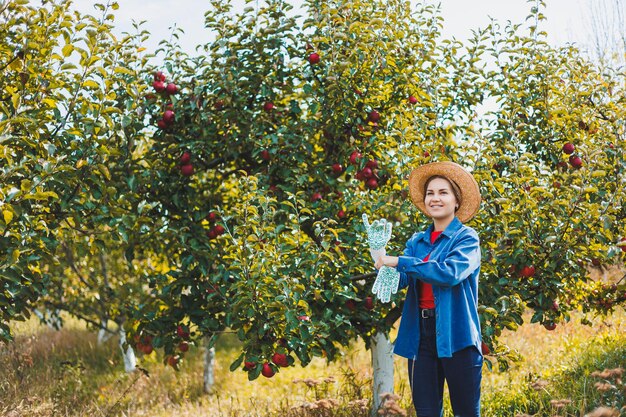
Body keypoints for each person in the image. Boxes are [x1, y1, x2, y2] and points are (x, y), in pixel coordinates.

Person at [373, 161, 483, 417]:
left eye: (443, 192)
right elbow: (398, 281)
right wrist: (379, 256)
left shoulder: (466, 238)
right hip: (420, 338)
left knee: (466, 413)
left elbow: (449, 273)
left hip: (458, 336)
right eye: (430, 193)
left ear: (456, 201)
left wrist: (399, 261)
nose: (435, 198)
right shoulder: (417, 242)